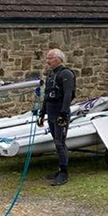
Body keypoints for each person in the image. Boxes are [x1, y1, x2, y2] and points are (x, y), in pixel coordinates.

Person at [37, 49, 76, 186]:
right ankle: (60, 168)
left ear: (59, 59)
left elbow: (68, 95)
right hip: (52, 112)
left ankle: (64, 172)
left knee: (60, 143)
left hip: (60, 112)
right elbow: (47, 97)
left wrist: (64, 113)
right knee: (56, 142)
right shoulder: (50, 75)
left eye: (50, 58)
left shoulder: (66, 74)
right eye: (47, 58)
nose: (47, 61)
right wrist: (42, 113)